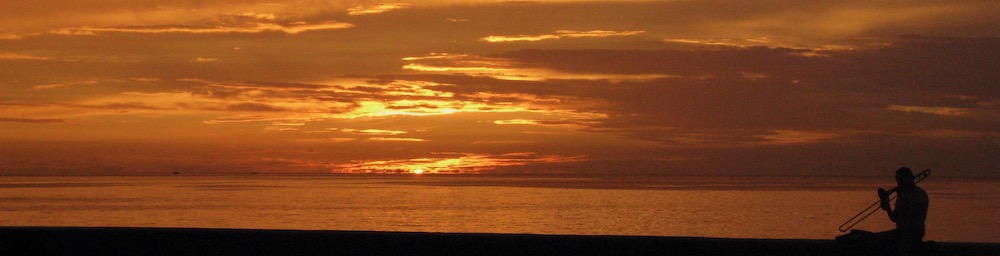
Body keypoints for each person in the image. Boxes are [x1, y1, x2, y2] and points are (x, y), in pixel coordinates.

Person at [876, 167, 930, 254]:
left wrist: (903, 197)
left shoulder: (919, 194)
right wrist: (888, 208)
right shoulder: (902, 195)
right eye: (898, 181)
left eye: (900, 181)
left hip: (914, 233)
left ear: (907, 180)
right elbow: (895, 218)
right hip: (900, 233)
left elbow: (913, 214)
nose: (898, 184)